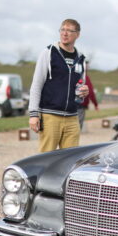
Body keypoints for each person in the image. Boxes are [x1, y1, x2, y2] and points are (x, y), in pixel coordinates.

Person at [28, 19, 89, 152]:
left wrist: (84, 92)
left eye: (69, 30)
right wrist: (33, 114)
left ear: (77, 34)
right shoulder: (49, 52)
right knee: (46, 158)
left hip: (72, 117)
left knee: (70, 159)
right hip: (50, 116)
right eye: (62, 29)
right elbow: (36, 84)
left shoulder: (81, 59)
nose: (64, 33)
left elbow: (80, 87)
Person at [77, 61, 98, 129]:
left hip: (74, 104)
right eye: (86, 66)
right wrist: (95, 104)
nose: (88, 67)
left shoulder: (74, 75)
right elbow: (91, 92)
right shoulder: (85, 77)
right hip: (80, 104)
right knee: (78, 125)